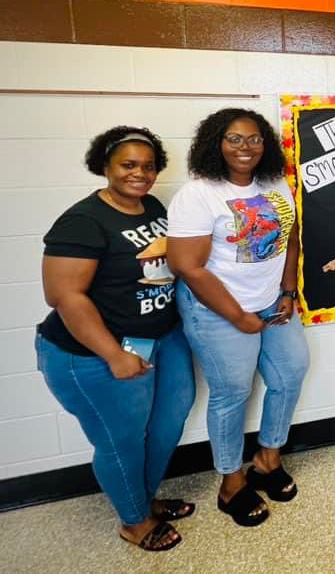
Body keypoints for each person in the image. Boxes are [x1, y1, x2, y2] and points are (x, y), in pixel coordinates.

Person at [35, 127, 196, 551]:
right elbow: (63, 295)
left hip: (161, 338)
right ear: (104, 166)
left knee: (167, 426)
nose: (140, 174)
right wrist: (112, 354)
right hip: (93, 351)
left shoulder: (152, 206)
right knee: (121, 439)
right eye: (128, 165)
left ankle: (142, 500)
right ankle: (133, 522)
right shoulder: (84, 221)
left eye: (148, 166)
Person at [167, 108, 309, 527]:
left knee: (290, 374)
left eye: (254, 139)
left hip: (272, 302)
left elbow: (291, 239)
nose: (245, 147)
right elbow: (186, 266)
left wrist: (287, 291)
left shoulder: (274, 183)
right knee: (232, 393)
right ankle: (231, 483)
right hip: (216, 310)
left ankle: (267, 459)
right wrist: (238, 316)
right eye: (234, 138)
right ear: (216, 143)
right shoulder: (198, 194)